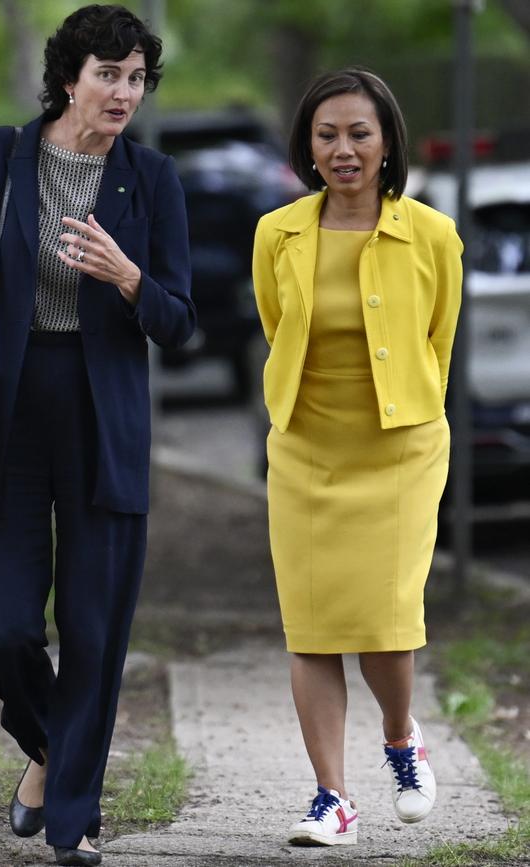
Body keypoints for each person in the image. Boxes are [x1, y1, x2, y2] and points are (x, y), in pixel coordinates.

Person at [0, 5, 195, 865]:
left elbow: (180, 322)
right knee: (9, 633)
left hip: (104, 416)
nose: (123, 91)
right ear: (69, 77)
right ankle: (49, 749)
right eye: (107, 73)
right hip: (6, 406)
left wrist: (129, 276)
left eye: (137, 77)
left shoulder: (153, 180)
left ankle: (71, 823)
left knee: (95, 627)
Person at [252, 68, 462, 847]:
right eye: (327, 134)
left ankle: (402, 738)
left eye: (359, 133)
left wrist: (407, 410)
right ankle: (331, 797)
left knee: (385, 620)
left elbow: (438, 339)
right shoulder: (277, 231)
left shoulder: (433, 235)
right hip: (306, 450)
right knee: (310, 627)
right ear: (307, 147)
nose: (343, 149)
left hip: (400, 452)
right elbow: (278, 327)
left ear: (386, 143)